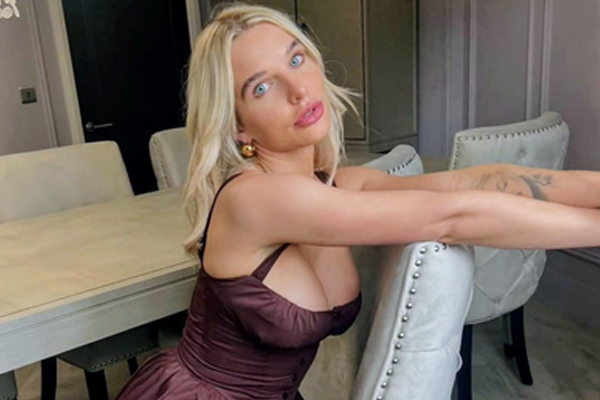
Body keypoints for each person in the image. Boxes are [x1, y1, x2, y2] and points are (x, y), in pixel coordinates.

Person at [116, 3, 600, 400]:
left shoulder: (337, 186)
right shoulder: (253, 198)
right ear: (239, 126)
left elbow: (465, 185)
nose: (298, 90)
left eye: (296, 59)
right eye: (261, 87)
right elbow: (452, 217)